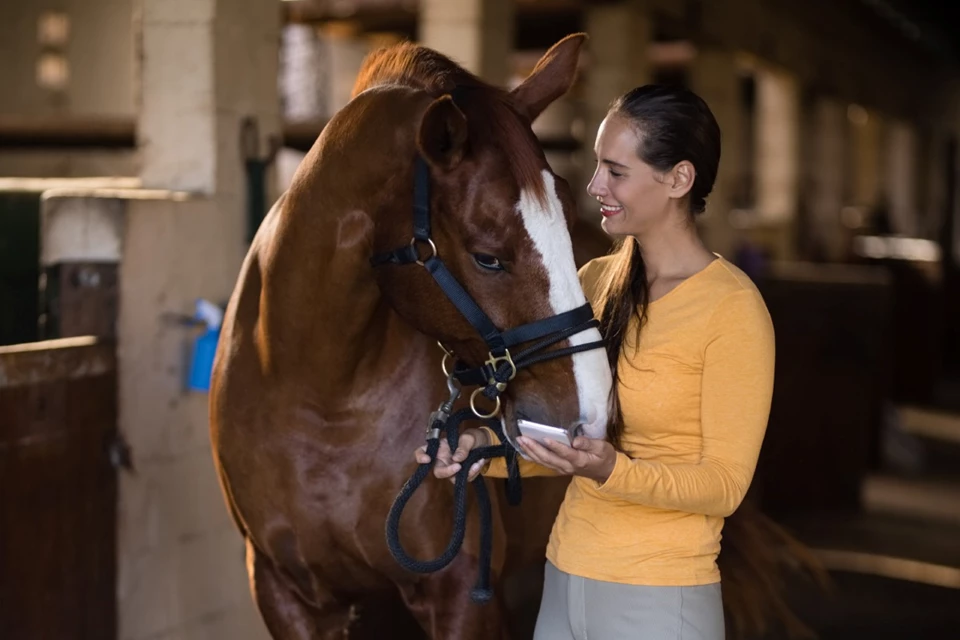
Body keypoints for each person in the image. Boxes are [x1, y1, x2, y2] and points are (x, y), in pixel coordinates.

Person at [415, 84, 775, 640]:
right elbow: (573, 444)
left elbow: (723, 487)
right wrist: (481, 450)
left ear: (679, 179)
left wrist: (610, 470)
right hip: (565, 581)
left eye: (616, 171)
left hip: (661, 600)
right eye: (598, 166)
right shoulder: (594, 282)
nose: (594, 186)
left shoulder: (732, 308)